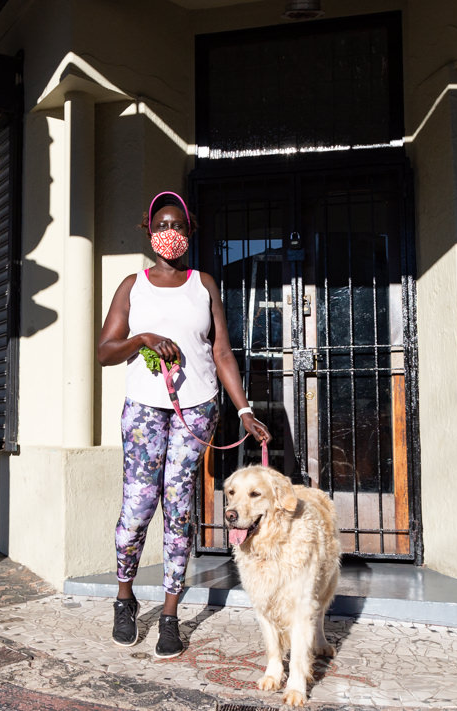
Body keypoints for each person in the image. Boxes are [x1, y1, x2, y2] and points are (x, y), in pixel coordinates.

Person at [96, 190, 271, 658]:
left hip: (196, 407)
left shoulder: (204, 284)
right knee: (136, 510)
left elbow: (221, 352)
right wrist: (144, 339)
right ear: (148, 231)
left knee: (178, 510)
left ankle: (170, 613)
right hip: (144, 410)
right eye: (161, 226)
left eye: (177, 227)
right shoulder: (132, 286)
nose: (168, 234)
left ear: (189, 233)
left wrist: (245, 410)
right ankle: (125, 598)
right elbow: (104, 352)